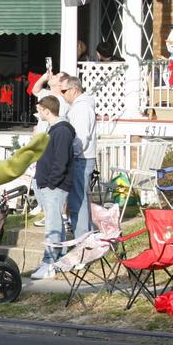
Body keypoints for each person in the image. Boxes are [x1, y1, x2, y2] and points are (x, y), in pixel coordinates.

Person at [29, 96, 75, 280]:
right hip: (49, 184)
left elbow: (61, 161)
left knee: (53, 225)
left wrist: (51, 183)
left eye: (39, 109)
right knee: (56, 224)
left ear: (47, 110)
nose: (37, 112)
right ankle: (60, 260)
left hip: (55, 186)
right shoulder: (53, 129)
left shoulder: (62, 131)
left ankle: (49, 263)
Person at [61, 76, 96, 240]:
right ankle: (86, 237)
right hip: (82, 158)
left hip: (81, 159)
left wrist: (70, 155)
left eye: (64, 91)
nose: (62, 95)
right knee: (78, 201)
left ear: (74, 90)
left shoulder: (81, 108)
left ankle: (83, 242)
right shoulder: (80, 106)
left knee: (77, 202)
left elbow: (81, 137)